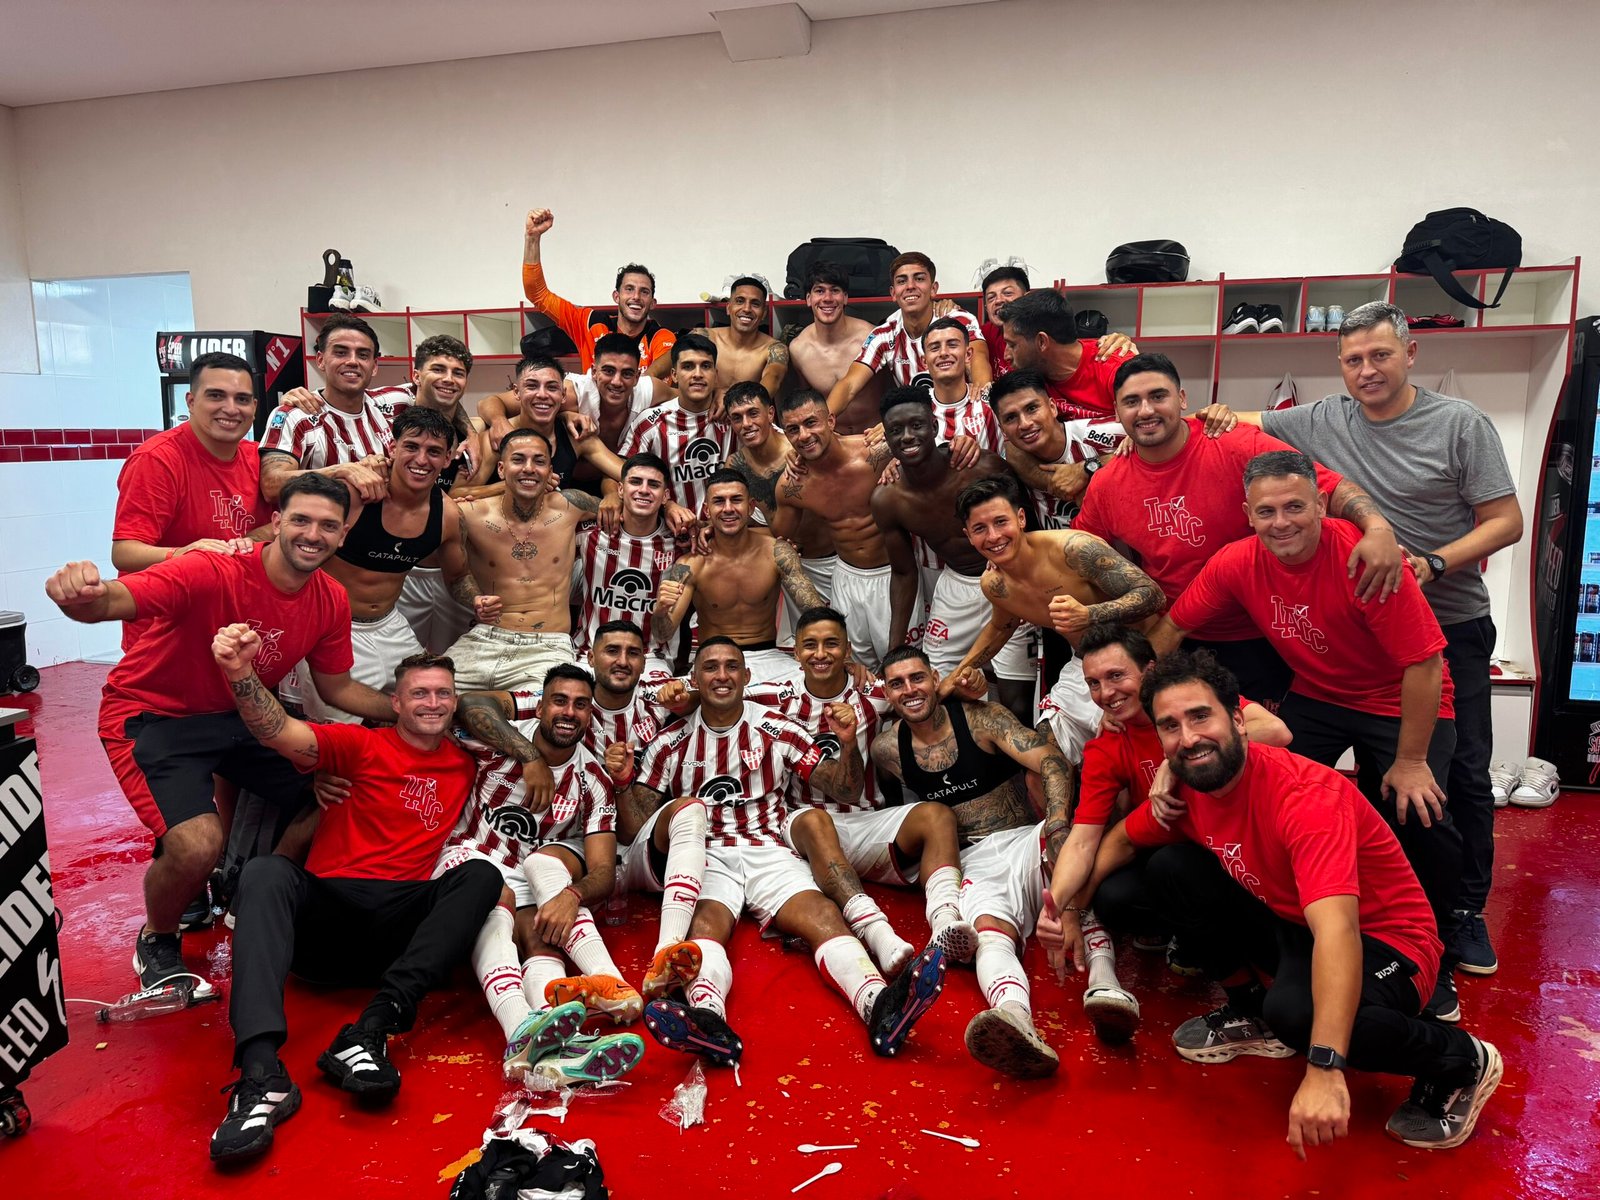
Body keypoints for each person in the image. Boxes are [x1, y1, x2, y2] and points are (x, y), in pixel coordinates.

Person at [1076, 650, 1502, 1154]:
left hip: (1388, 943)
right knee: (1172, 869)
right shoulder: (1194, 783)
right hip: (1295, 919)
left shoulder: (1305, 797)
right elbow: (1123, 838)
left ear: (1239, 720)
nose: (1188, 738)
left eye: (1200, 716)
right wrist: (1068, 909)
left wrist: (1324, 1067)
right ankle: (1251, 1013)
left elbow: (1338, 931)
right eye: (1171, 726)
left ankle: (1461, 1061)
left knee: (1300, 1014)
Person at [1248, 301, 1523, 980]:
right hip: (1356, 633)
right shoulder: (1321, 418)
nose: (1367, 370)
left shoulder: (1459, 424)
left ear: (1410, 354)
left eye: (1380, 355)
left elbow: (1507, 520)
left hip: (1447, 622)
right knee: (1364, 783)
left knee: (1458, 776)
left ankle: (1462, 913)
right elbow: (1239, 426)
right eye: (1353, 360)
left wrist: (1434, 563)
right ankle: (1375, 909)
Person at [45, 474, 395, 1000]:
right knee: (197, 845)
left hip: (238, 718)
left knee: (339, 788)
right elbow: (108, 602)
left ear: (343, 535)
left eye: (328, 526)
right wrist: (76, 593)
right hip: (153, 715)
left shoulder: (330, 599)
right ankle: (158, 936)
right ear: (276, 522)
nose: (312, 535)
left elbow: (338, 687)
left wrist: (406, 710)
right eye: (300, 520)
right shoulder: (213, 569)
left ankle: (253, 892)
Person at [1149, 449, 1466, 1020]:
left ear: (1321, 504)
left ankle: (1431, 957)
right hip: (1319, 695)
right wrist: (1145, 704)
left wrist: (1411, 761)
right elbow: (1172, 627)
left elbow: (1424, 662)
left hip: (1400, 697)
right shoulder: (1235, 562)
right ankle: (1294, 930)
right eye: (1266, 511)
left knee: (1418, 809)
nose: (1282, 523)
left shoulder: (1364, 557)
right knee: (1257, 785)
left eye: (1295, 507)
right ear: (1247, 515)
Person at [206, 642, 501, 1163]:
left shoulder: (467, 763)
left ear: (456, 703)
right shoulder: (358, 746)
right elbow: (278, 731)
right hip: (331, 915)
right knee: (266, 871)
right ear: (396, 703)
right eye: (419, 694)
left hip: (398, 927)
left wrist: (531, 760)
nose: (432, 703)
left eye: (443, 694)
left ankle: (370, 1032)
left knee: (482, 876)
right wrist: (240, 670)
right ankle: (260, 1073)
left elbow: (539, 723)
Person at [617, 638, 947, 1066]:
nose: (722, 676)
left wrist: (848, 744)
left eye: (732, 666)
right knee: (704, 926)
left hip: (768, 845)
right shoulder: (670, 742)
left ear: (747, 676)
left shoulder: (777, 727)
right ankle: (708, 1020)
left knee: (823, 914)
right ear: (694, 679)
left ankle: (879, 1005)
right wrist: (622, 783)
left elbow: (844, 789)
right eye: (711, 667)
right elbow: (634, 828)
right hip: (706, 854)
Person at [1074, 353, 1404, 702]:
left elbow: (1329, 488)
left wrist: (1377, 529)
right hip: (1176, 633)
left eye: (1158, 396)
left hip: (1266, 631)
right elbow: (1078, 554)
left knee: (1268, 733)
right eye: (1132, 402)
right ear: (1117, 411)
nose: (1145, 410)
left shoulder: (1236, 444)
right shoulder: (1108, 484)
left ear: (1182, 399)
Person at [1036, 623, 1291, 1028]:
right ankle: (1212, 957)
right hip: (1184, 852)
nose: (1106, 693)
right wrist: (1062, 904)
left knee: (1298, 1002)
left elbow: (1276, 731)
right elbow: (1084, 840)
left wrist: (1175, 762)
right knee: (1120, 894)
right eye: (1094, 683)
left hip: (1250, 852)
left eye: (1116, 676)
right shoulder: (1108, 744)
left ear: (1149, 670)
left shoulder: (1186, 702)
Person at [438, 666, 654, 1081]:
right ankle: (518, 1029)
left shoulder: (592, 779)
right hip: (468, 860)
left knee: (542, 937)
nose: (569, 712)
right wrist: (530, 756)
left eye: (580, 705)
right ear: (539, 707)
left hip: (523, 878)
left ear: (590, 715)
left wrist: (572, 896)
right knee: (495, 895)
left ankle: (555, 1052)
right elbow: (468, 704)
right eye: (559, 701)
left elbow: (604, 870)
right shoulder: (500, 740)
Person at [870, 647, 1077, 1077]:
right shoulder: (886, 750)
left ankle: (1106, 985)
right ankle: (1016, 1019)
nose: (909, 689)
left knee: (1078, 868)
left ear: (936, 679)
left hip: (1026, 837)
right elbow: (895, 810)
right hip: (973, 860)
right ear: (886, 694)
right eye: (897, 683)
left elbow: (1052, 761)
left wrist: (1058, 827)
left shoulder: (983, 718)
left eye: (917, 678)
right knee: (985, 931)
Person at [745, 607, 975, 974]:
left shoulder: (874, 693)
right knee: (815, 820)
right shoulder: (775, 696)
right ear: (796, 652)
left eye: (831, 644)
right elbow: (714, 694)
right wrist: (679, 694)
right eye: (810, 645)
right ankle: (878, 932)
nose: (821, 654)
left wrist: (971, 686)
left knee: (937, 816)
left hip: (865, 820)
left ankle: (946, 922)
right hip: (802, 828)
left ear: (848, 649)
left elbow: (927, 694)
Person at [942, 474, 1166, 760]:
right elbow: (1001, 626)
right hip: (1085, 664)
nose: (994, 536)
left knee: (1127, 750)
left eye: (1000, 522)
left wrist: (1090, 614)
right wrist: (958, 674)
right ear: (969, 536)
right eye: (980, 529)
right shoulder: (995, 584)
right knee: (1044, 755)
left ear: (1021, 518)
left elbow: (1152, 595)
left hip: (1143, 654)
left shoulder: (1073, 549)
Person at [303, 408, 479, 722]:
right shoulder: (356, 494)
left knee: (427, 712)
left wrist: (477, 600)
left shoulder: (447, 515)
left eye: (434, 451)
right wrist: (238, 544)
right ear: (393, 448)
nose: (421, 459)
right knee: (338, 734)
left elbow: (458, 576)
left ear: (448, 458)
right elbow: (286, 530)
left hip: (391, 625)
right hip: (335, 626)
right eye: (411, 447)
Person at [870, 387, 1034, 720]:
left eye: (916, 425)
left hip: (1011, 580)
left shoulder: (980, 466)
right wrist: (894, 650)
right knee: (934, 689)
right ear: (886, 438)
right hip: (955, 588)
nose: (907, 436)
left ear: (934, 426)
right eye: (896, 430)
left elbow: (1028, 523)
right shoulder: (888, 499)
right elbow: (903, 572)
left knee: (1016, 702)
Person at [111, 351, 271, 650]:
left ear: (254, 407)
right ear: (191, 401)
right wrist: (183, 553)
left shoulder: (259, 458)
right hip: (164, 636)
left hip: (232, 631)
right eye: (216, 395)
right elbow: (124, 552)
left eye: (241, 399)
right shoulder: (157, 460)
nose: (230, 408)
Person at [448, 430, 605, 691]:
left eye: (539, 461)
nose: (529, 468)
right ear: (501, 469)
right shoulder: (470, 513)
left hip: (548, 644)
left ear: (550, 471)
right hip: (486, 639)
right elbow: (456, 575)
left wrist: (618, 496)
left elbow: (624, 506)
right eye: (518, 460)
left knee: (551, 708)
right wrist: (474, 599)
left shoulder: (570, 505)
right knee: (431, 696)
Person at [654, 470, 826, 685]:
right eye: (719, 501)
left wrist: (843, 656)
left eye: (736, 500)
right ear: (707, 510)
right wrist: (660, 611)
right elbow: (662, 635)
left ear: (751, 506)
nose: (728, 508)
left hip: (768, 658)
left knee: (816, 687)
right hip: (714, 658)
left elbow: (815, 612)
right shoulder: (690, 565)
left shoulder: (777, 552)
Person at [770, 389, 898, 669]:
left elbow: (927, 449)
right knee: (854, 669)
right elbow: (780, 537)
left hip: (894, 573)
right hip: (846, 579)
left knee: (902, 662)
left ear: (830, 421)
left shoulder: (874, 453)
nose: (803, 435)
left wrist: (898, 458)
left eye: (810, 423)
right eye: (793, 429)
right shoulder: (792, 485)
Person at [825, 252, 991, 419]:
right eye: (901, 281)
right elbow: (849, 385)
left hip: (963, 416)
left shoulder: (959, 320)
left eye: (919, 278)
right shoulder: (884, 334)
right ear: (893, 293)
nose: (910, 286)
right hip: (915, 422)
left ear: (933, 289)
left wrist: (982, 397)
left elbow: (979, 359)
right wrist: (823, 422)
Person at [723, 381, 837, 614]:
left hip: (834, 561)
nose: (746, 424)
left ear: (770, 413)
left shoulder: (804, 447)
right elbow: (743, 526)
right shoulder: (736, 466)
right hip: (788, 567)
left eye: (753, 413)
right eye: (737, 417)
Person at [258, 314, 396, 505]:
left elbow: (433, 384)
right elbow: (271, 485)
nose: (352, 361)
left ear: (374, 366)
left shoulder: (391, 404)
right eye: (341, 353)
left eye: (363, 355)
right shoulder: (293, 416)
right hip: (320, 522)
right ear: (321, 360)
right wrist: (341, 471)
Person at [519, 206, 674, 370]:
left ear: (652, 303)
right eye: (629, 289)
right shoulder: (589, 323)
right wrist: (532, 238)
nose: (636, 296)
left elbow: (657, 382)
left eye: (644, 292)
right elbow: (537, 294)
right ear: (616, 296)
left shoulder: (661, 338)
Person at [575, 452, 681, 679]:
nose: (644, 490)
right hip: (588, 654)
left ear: (666, 496)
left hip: (651, 659)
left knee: (660, 699)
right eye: (635, 482)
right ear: (621, 490)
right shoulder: (590, 533)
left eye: (653, 485)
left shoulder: (680, 544)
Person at [459, 357, 627, 500]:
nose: (542, 395)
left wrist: (612, 494)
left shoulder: (575, 435)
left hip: (554, 525)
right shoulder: (498, 436)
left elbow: (626, 473)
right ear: (516, 392)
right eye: (532, 386)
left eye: (552, 387)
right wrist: (513, 485)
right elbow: (457, 493)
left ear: (563, 395)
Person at [986, 368, 1123, 529]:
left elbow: (1148, 445)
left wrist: (1089, 467)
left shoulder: (1100, 433)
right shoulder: (1011, 467)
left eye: (1032, 408)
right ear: (1002, 430)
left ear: (1052, 407)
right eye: (1011, 418)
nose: (1025, 424)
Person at [618, 333, 736, 515]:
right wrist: (611, 495)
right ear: (674, 374)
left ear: (716, 375)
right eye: (688, 366)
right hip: (668, 529)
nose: (698, 374)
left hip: (727, 525)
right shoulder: (651, 422)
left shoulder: (735, 416)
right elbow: (619, 474)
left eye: (706, 366)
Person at [999, 288, 1132, 422]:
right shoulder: (1026, 373)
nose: (1006, 356)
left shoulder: (1116, 370)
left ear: (1042, 342)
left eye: (1012, 345)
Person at [652, 276, 788, 399]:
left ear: (764, 313)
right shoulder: (704, 336)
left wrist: (730, 402)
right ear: (728, 308)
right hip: (699, 411)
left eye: (755, 304)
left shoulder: (774, 349)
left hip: (745, 414)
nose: (747, 309)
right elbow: (654, 372)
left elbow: (773, 379)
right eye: (740, 301)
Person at [786, 261, 881, 435]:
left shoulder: (871, 337)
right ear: (808, 299)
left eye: (835, 290)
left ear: (845, 298)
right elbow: (806, 401)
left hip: (875, 436)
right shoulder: (798, 349)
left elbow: (894, 388)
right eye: (819, 291)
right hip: (833, 439)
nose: (827, 298)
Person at [979, 263, 1031, 376]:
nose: (998, 300)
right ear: (986, 308)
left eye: (1007, 293)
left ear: (1027, 298)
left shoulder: (1042, 333)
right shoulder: (983, 335)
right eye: (991, 297)